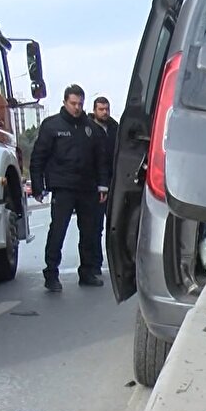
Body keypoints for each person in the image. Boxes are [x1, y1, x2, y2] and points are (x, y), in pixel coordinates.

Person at [29, 84, 110, 291]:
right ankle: (51, 273)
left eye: (80, 104)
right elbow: (38, 156)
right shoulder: (52, 126)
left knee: (90, 231)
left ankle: (88, 271)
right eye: (73, 103)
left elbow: (101, 159)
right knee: (58, 230)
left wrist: (103, 186)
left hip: (87, 187)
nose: (76, 108)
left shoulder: (91, 129)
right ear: (65, 102)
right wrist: (38, 186)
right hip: (62, 186)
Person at [87, 96, 118, 277]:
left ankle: (116, 264)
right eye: (101, 109)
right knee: (95, 227)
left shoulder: (115, 128)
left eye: (106, 109)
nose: (104, 112)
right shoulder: (88, 128)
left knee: (115, 227)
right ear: (94, 110)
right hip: (96, 185)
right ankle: (95, 263)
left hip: (114, 183)